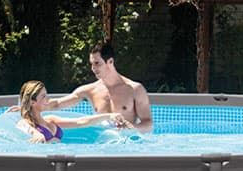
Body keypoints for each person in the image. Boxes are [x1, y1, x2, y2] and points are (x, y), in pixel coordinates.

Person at [10, 42, 153, 132]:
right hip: (102, 143)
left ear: (110, 61)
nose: (93, 68)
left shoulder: (135, 89)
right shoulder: (90, 90)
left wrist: (130, 129)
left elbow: (148, 124)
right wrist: (27, 107)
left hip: (126, 144)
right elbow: (58, 103)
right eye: (91, 64)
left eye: (97, 63)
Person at [18, 80, 131, 143]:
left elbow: (80, 122)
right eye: (43, 96)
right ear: (32, 102)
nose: (47, 99)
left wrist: (109, 116)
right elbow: (26, 128)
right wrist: (37, 134)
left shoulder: (51, 120)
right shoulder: (25, 123)